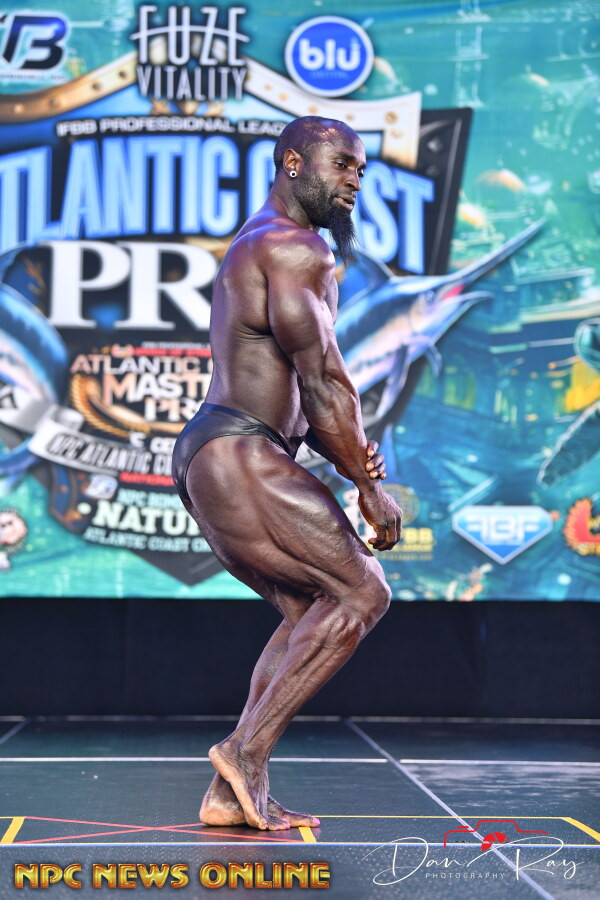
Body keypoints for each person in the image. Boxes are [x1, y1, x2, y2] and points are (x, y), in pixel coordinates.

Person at [172, 116, 403, 831]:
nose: (353, 181)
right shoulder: (294, 247)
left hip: (222, 452)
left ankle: (230, 791)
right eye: (341, 165)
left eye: (360, 170)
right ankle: (242, 753)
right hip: (240, 450)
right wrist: (368, 488)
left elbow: (307, 396)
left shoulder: (266, 243)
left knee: (313, 610)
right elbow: (323, 380)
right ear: (293, 163)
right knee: (363, 590)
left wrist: (347, 455)